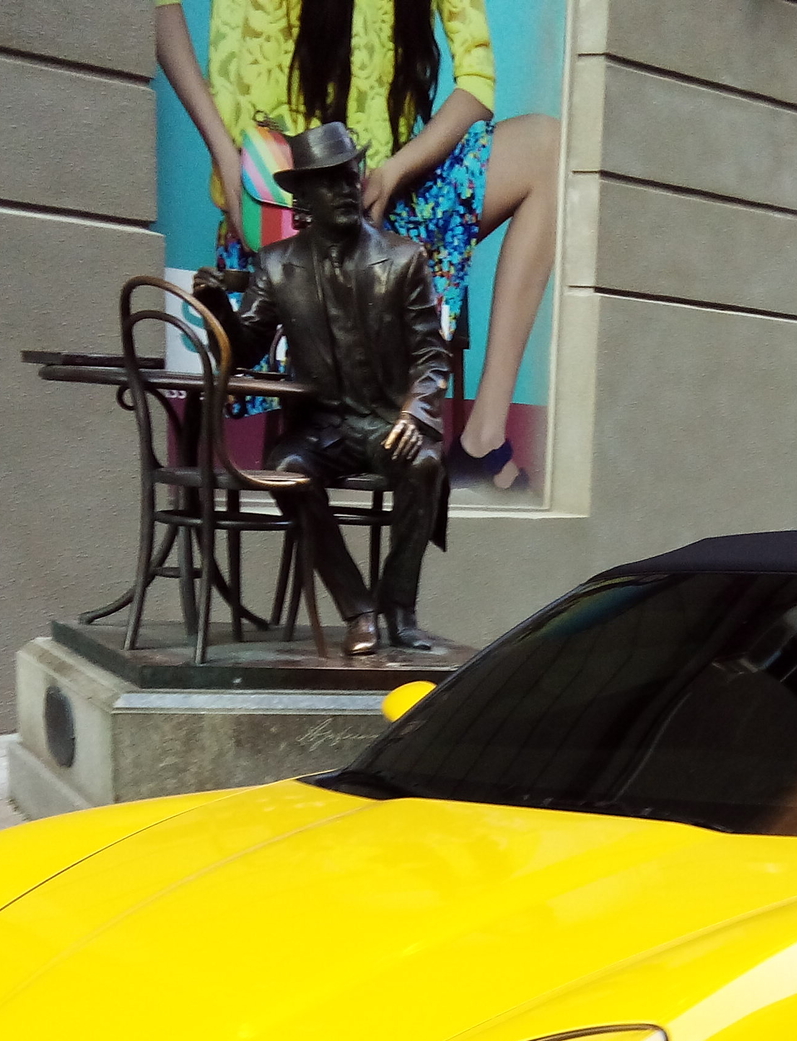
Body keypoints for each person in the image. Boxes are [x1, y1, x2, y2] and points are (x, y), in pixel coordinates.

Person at [154, 0, 557, 491]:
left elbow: (477, 84)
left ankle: (483, 441)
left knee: (550, 149)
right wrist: (224, 156)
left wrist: (396, 171)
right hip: (274, 219)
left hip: (386, 207)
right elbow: (160, 9)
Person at [196, 123, 449, 658]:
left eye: (349, 176)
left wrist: (414, 413)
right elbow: (244, 352)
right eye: (328, 182)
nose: (343, 189)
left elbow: (431, 354)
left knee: (424, 465)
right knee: (286, 472)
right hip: (319, 430)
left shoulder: (404, 260)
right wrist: (218, 310)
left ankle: (398, 610)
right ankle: (357, 610)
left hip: (384, 420)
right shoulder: (276, 264)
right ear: (301, 195)